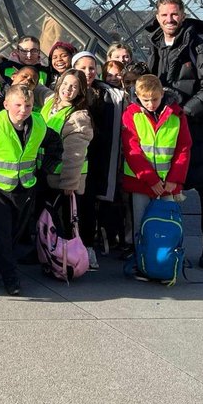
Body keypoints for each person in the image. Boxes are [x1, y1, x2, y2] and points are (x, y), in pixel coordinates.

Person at [146, 0, 203, 269]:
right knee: (165, 186)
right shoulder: (156, 43)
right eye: (164, 15)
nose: (169, 20)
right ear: (157, 17)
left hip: (199, 126)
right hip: (167, 126)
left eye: (174, 15)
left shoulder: (200, 44)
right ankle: (165, 242)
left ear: (182, 15)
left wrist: (186, 112)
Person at [0, 85, 62, 296]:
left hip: (25, 186)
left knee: (14, 234)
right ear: (6, 104)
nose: (23, 110)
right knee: (1, 234)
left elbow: (55, 144)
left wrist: (45, 170)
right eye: (17, 105)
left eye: (27, 105)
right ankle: (11, 279)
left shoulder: (38, 124)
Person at [121, 74, 192, 252]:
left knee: (167, 224)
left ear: (162, 94)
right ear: (137, 96)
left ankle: (164, 259)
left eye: (155, 99)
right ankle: (142, 258)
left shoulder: (177, 115)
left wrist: (174, 179)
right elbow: (133, 150)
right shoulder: (131, 115)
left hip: (167, 182)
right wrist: (151, 180)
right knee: (140, 224)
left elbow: (183, 148)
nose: (151, 104)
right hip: (142, 181)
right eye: (145, 100)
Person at [39, 69, 96, 267]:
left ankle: (64, 259)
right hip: (47, 174)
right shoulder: (50, 103)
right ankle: (46, 252)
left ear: (81, 92)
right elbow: (39, 90)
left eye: (74, 87)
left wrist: (69, 184)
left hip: (64, 179)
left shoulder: (78, 117)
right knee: (47, 219)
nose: (67, 89)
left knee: (62, 224)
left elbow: (75, 155)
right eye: (65, 84)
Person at [72, 52, 127, 255]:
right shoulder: (66, 90)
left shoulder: (107, 93)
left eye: (92, 68)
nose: (88, 72)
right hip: (75, 157)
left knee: (87, 203)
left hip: (96, 158)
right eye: (83, 67)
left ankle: (87, 246)